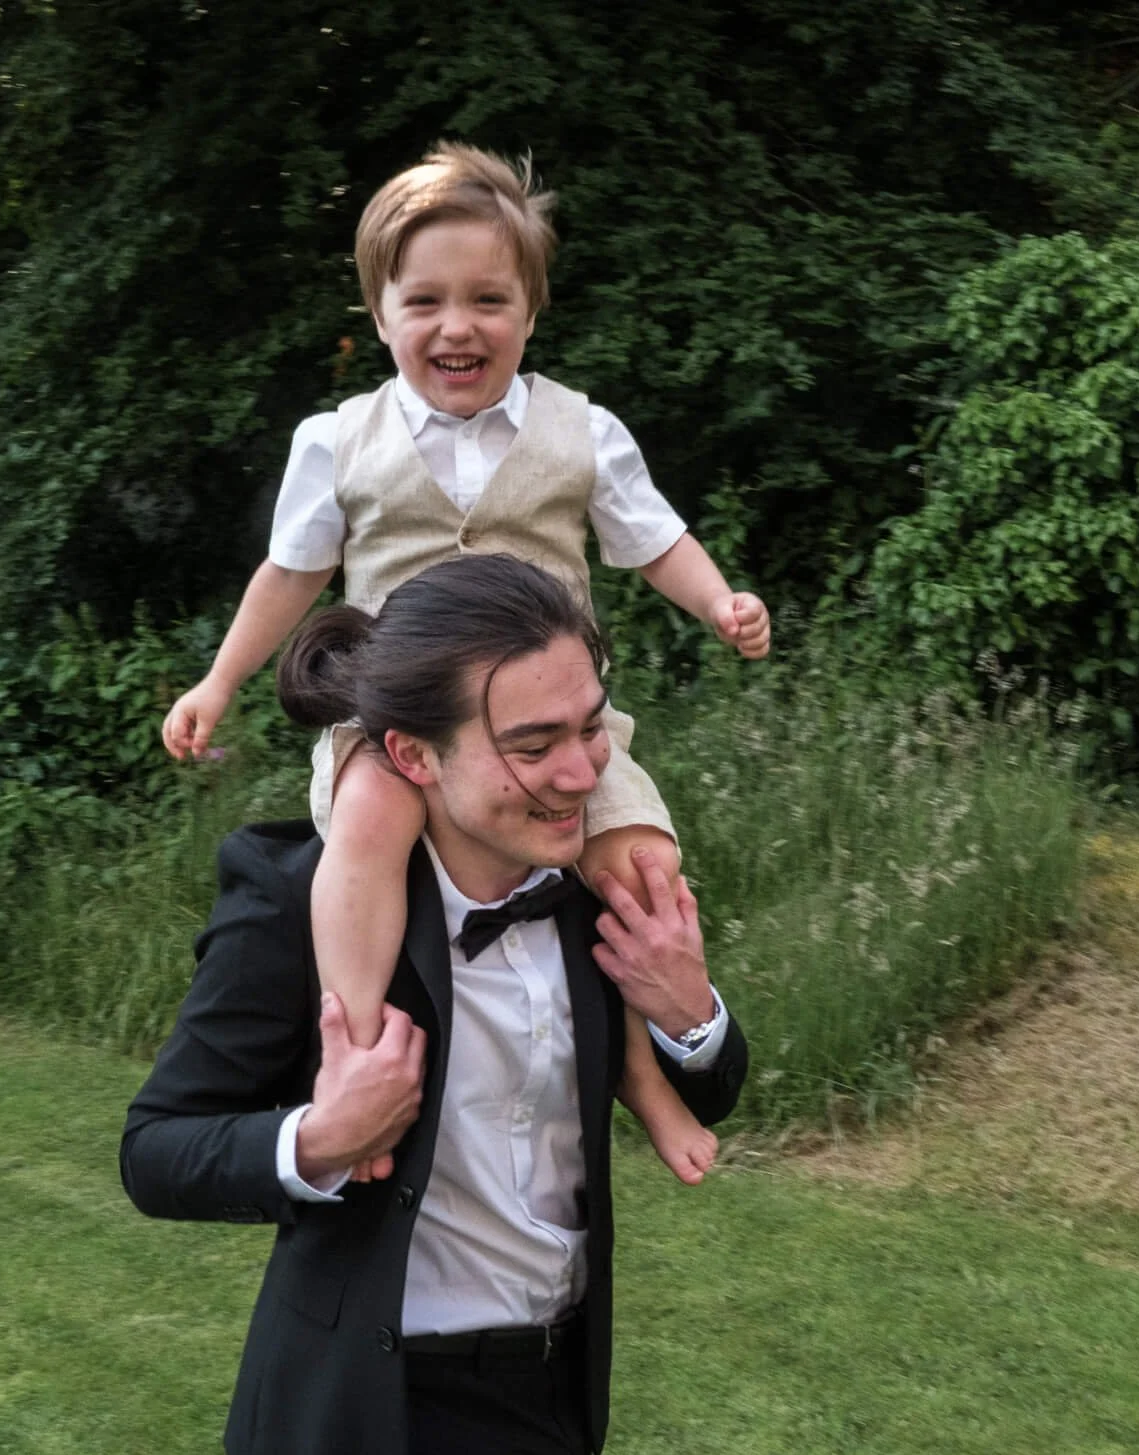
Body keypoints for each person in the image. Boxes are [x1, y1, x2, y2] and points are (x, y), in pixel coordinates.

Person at [124, 556, 749, 1455]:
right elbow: (156, 1149)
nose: (579, 773)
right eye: (532, 746)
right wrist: (320, 1139)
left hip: (554, 1374)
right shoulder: (299, 900)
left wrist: (688, 1009)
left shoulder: (586, 887)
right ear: (412, 755)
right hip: (401, 1387)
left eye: (590, 728)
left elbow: (711, 1084)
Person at [158, 142, 769, 1188]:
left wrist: (719, 601)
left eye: (490, 299)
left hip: (554, 722)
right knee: (366, 823)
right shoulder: (339, 441)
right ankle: (355, 1054)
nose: (458, 326)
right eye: (426, 301)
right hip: (394, 716)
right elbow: (290, 573)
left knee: (640, 873)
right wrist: (217, 682)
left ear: (531, 312)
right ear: (379, 313)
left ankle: (641, 1069)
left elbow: (653, 536)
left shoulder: (582, 431)